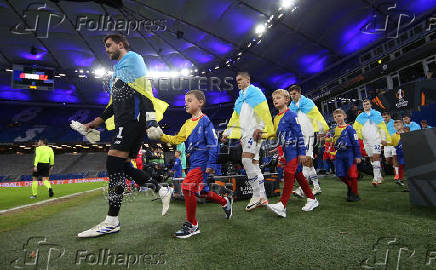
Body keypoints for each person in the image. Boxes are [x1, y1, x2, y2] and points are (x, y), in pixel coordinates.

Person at [77, 34, 172, 238]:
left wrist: (152, 121)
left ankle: (111, 221)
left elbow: (145, 94)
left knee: (113, 163)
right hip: (124, 122)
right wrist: (96, 122)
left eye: (109, 45)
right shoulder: (119, 72)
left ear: (121, 45)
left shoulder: (134, 60)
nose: (106, 49)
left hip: (132, 121)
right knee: (122, 166)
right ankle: (161, 189)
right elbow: (114, 104)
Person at [160, 90, 232, 238]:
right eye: (185, 100)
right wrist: (160, 135)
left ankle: (192, 224)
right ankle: (224, 201)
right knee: (201, 192)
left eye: (189, 100)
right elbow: (176, 139)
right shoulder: (187, 124)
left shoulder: (205, 121)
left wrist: (211, 164)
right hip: (194, 162)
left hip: (203, 162)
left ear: (200, 102)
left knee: (187, 187)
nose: (186, 103)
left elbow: (213, 144)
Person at [222, 72, 275, 211]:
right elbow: (235, 119)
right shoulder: (240, 98)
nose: (238, 82)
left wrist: (260, 128)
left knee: (246, 161)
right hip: (245, 135)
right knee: (254, 165)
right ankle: (263, 196)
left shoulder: (256, 92)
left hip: (255, 132)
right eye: (236, 80)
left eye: (240, 80)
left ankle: (256, 195)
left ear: (248, 79)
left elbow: (263, 111)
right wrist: (227, 133)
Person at [267, 89, 318, 217]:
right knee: (298, 175)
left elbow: (299, 134)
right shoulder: (276, 118)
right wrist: (278, 148)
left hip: (295, 151)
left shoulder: (291, 115)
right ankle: (312, 199)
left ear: (286, 100)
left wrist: (302, 152)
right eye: (273, 99)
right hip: (286, 152)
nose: (275, 101)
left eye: (278, 98)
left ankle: (282, 205)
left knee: (289, 173)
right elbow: (280, 137)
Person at [288, 85, 329, 197]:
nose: (293, 96)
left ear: (300, 93)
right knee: (308, 164)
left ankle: (302, 189)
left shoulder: (308, 103)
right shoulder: (291, 107)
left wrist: (321, 130)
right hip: (299, 136)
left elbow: (317, 116)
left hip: (308, 134)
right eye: (291, 95)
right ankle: (316, 187)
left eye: (294, 94)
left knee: (306, 161)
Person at [353, 99, 390, 186]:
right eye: (364, 104)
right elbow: (355, 129)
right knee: (372, 159)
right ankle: (379, 176)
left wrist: (384, 138)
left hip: (376, 140)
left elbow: (382, 127)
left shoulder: (377, 114)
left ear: (370, 105)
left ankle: (375, 178)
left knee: (376, 157)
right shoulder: (360, 117)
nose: (366, 105)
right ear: (363, 106)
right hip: (366, 141)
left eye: (367, 104)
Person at [332, 109, 362, 202]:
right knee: (340, 174)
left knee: (352, 175)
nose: (337, 118)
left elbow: (356, 142)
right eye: (335, 117)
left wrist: (358, 156)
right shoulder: (334, 129)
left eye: (339, 116)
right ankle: (351, 189)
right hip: (339, 154)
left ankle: (354, 194)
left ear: (344, 116)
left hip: (349, 153)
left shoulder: (350, 128)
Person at [382, 112, 399, 179]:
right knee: (388, 160)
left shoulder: (394, 123)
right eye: (383, 117)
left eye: (386, 117)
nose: (385, 119)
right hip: (386, 144)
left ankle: (397, 174)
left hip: (394, 143)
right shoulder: (382, 124)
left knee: (395, 158)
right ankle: (396, 167)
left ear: (389, 116)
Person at [389, 120, 406, 187]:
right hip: (400, 153)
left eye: (398, 125)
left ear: (402, 125)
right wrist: (385, 143)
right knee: (401, 165)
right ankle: (400, 179)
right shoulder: (393, 136)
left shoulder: (407, 133)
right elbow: (393, 144)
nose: (396, 127)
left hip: (408, 152)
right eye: (395, 126)